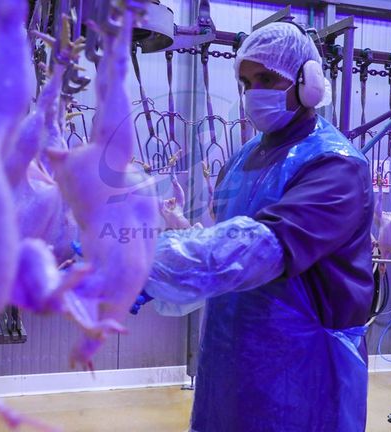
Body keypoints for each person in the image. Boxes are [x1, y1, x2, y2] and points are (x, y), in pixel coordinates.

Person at [138, 22, 374, 431]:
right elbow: (218, 244)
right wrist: (159, 270)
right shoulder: (242, 159)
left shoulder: (336, 166)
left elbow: (257, 248)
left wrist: (140, 263)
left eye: (266, 79)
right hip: (230, 353)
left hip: (305, 366)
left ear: (308, 83)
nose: (253, 93)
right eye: (246, 82)